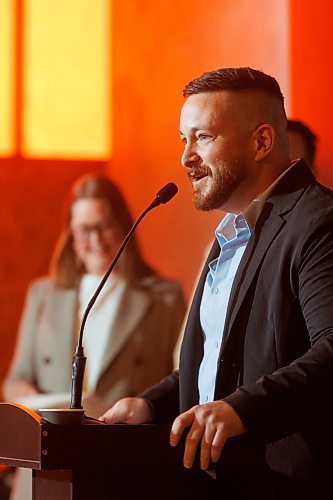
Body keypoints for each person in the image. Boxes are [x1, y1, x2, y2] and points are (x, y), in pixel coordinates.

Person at [100, 68, 333, 499]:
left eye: (202, 137)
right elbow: (221, 364)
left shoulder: (319, 223)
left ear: (261, 142)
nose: (186, 157)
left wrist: (241, 410)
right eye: (183, 139)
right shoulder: (231, 232)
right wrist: (151, 404)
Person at [3, 174, 185, 500]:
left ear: (125, 226)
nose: (95, 239)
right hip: (46, 468)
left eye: (104, 226)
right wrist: (30, 398)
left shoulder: (164, 297)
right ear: (70, 234)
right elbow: (16, 378)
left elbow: (179, 381)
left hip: (125, 467)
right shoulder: (44, 294)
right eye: (84, 229)